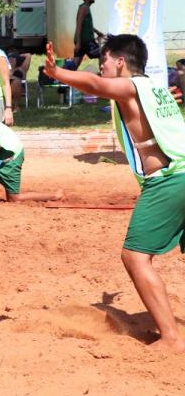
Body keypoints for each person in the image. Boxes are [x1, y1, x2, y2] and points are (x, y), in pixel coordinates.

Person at [45, 35, 185, 352]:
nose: (102, 66)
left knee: (134, 256)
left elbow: (95, 85)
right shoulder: (155, 88)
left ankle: (172, 339)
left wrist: (58, 74)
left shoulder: (130, 87)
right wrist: (107, 300)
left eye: (104, 60)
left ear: (120, 60)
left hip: (171, 180)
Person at [73, 0, 105, 67]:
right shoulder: (83, 8)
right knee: (102, 53)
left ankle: (64, 77)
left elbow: (87, 24)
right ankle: (102, 74)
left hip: (83, 41)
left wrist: (97, 32)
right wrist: (78, 43)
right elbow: (79, 24)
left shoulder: (86, 7)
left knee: (75, 63)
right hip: (86, 41)